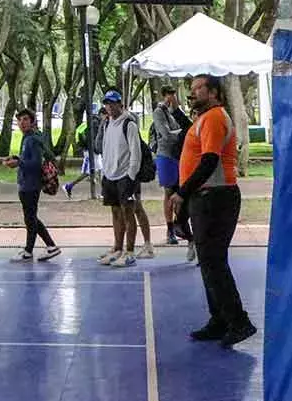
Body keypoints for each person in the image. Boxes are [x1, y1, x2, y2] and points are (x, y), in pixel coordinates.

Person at [167, 75, 256, 348]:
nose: (192, 93)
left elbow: (209, 160)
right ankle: (219, 320)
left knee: (214, 261)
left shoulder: (215, 117)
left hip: (216, 197)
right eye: (191, 89)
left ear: (214, 92)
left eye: (198, 89)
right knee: (208, 261)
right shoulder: (202, 119)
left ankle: (239, 321)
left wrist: (182, 192)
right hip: (203, 197)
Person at [97, 90, 148, 267]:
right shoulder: (107, 124)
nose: (109, 106)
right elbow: (105, 148)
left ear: (120, 104)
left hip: (125, 176)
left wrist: (131, 175)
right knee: (115, 212)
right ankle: (117, 248)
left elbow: (136, 153)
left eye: (112, 103)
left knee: (128, 212)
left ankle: (130, 251)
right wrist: (105, 171)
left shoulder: (129, 124)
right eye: (106, 103)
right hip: (110, 175)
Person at [6, 109, 61, 262]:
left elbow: (35, 163)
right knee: (30, 218)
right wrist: (17, 158)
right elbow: (29, 158)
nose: (22, 123)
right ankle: (30, 250)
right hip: (26, 183)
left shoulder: (32, 139)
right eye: (20, 120)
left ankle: (49, 246)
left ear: (32, 122)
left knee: (31, 218)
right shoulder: (28, 138)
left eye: (25, 119)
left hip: (30, 184)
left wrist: (19, 163)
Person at [151, 87, 191, 247]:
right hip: (166, 155)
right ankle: (170, 229)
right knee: (169, 191)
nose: (171, 99)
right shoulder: (159, 112)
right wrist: (182, 133)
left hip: (179, 155)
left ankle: (180, 223)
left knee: (180, 192)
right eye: (169, 96)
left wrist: (181, 132)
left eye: (173, 95)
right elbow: (165, 134)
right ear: (164, 96)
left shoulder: (177, 112)